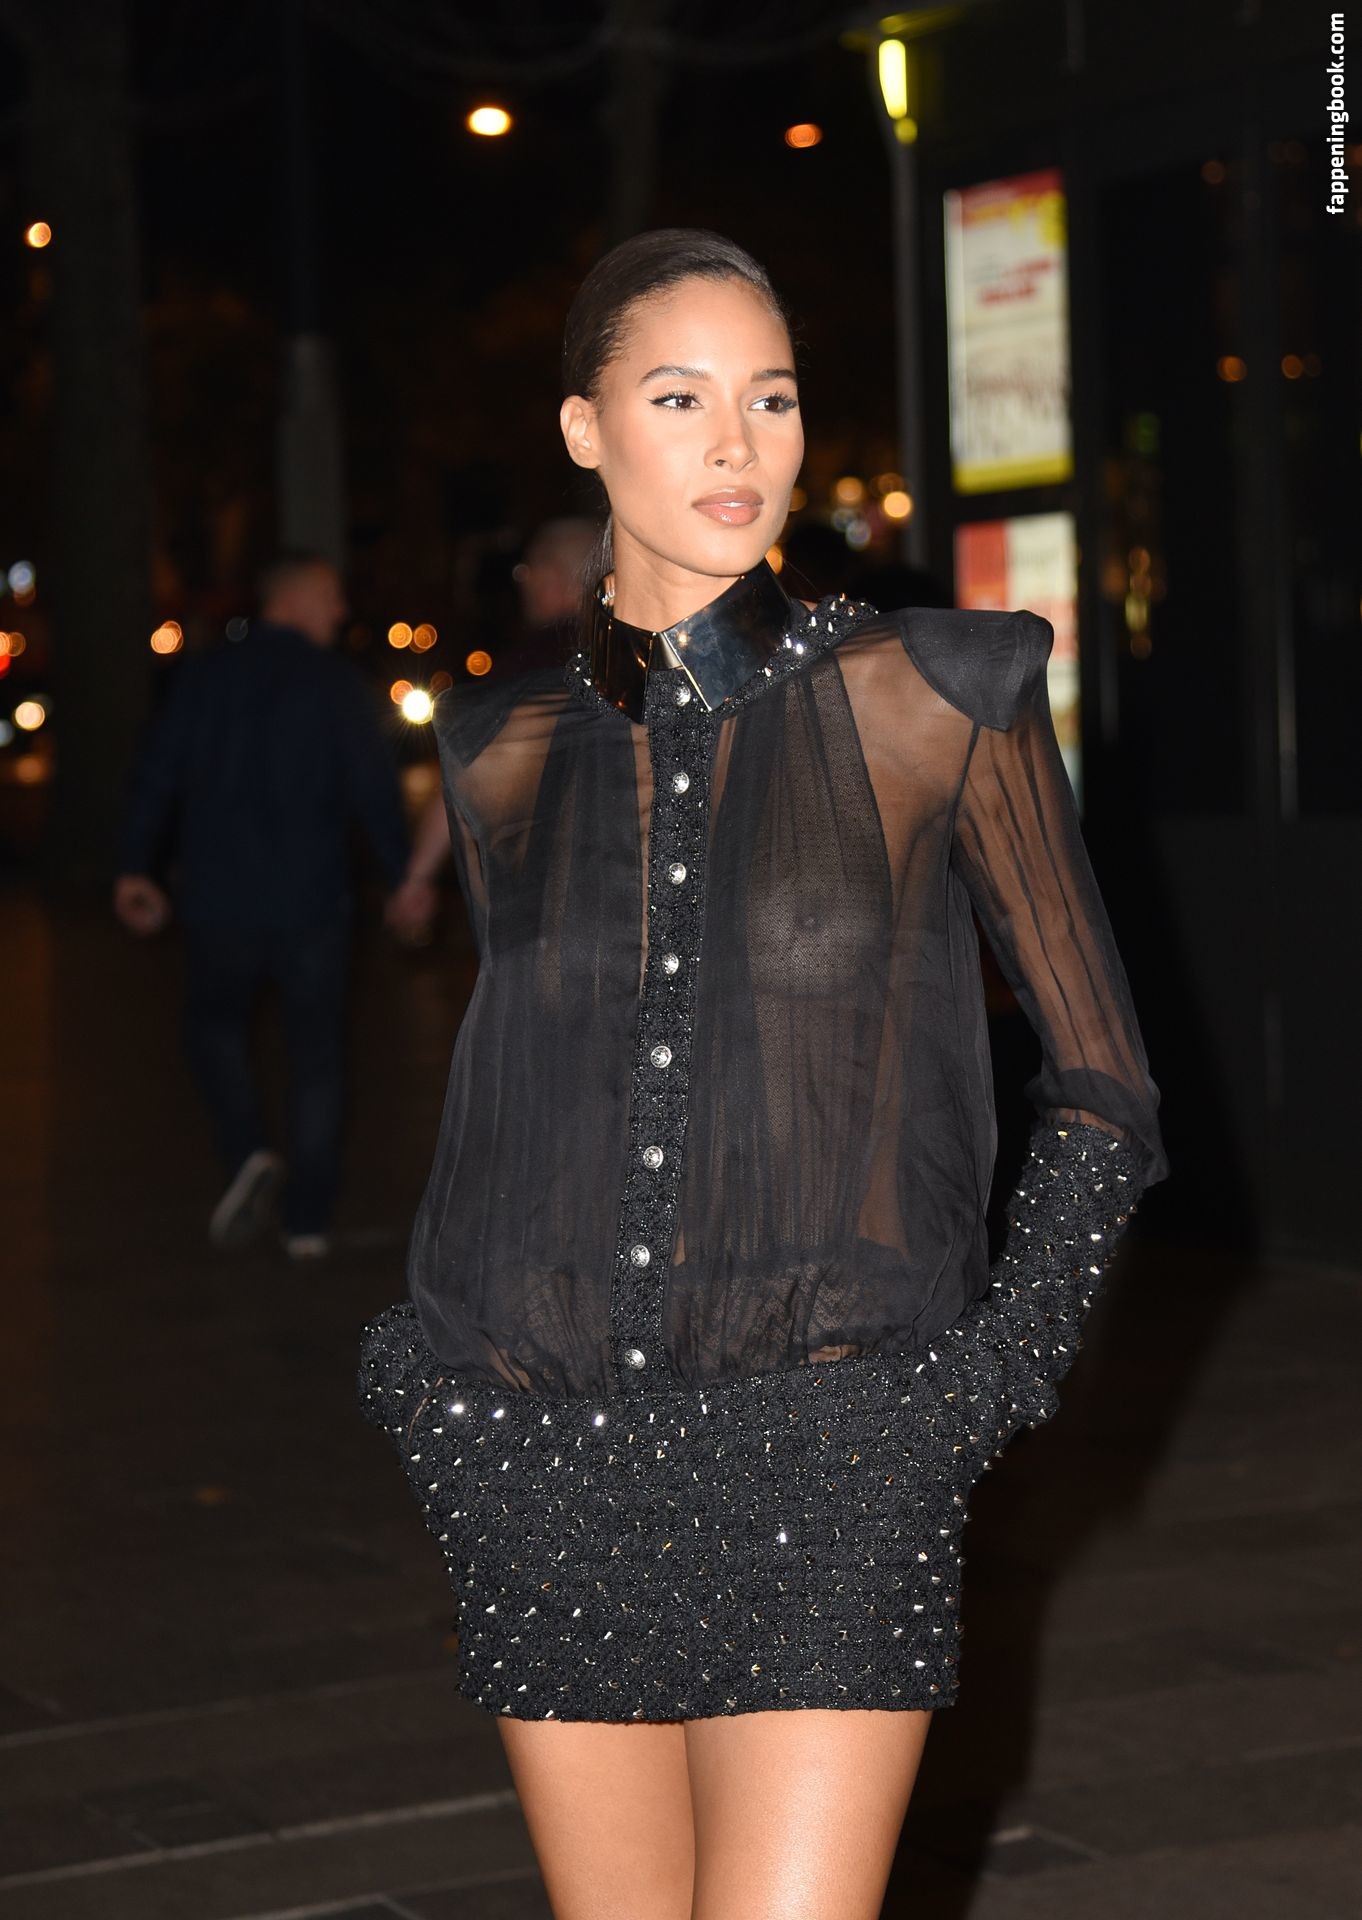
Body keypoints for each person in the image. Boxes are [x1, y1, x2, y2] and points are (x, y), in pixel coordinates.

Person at [359, 231, 1168, 1920]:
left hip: (833, 1453)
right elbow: (526, 1090)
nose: (738, 443)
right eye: (680, 399)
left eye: (772, 399)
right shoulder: (498, 751)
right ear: (584, 430)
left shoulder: (938, 695)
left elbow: (1101, 1079)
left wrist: (985, 1383)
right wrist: (434, 1392)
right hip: (539, 1461)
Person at [115, 552, 416, 1260]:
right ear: (297, 598)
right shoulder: (336, 684)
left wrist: (134, 866)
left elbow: (156, 773)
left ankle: (248, 1147)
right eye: (332, 596)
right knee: (317, 1054)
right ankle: (306, 1222)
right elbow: (375, 791)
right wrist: (407, 878)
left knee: (213, 1027)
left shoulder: (203, 676)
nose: (341, 611)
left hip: (219, 897)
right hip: (313, 901)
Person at [387, 516, 600, 944]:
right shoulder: (642, 659)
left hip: (547, 902)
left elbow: (466, 770)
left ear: (556, 576)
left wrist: (417, 877)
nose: (523, 583)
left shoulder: (531, 667)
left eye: (527, 570)